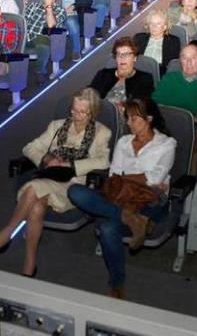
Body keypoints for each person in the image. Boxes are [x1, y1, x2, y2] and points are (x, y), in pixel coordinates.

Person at [0, 88, 112, 276]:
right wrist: (47, 160)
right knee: (37, 208)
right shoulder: (57, 126)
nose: (77, 116)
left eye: (83, 112)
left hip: (73, 185)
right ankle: (29, 266)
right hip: (50, 177)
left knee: (33, 189)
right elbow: (30, 147)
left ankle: (6, 235)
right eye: (74, 110)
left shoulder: (102, 133)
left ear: (94, 111)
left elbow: (103, 161)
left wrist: (71, 165)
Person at [67, 98, 176, 299]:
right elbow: (113, 176)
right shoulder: (123, 142)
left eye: (134, 118)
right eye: (127, 118)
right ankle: (131, 220)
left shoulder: (167, 144)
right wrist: (141, 177)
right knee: (75, 191)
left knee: (108, 228)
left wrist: (128, 177)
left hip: (149, 203)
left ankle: (116, 284)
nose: (128, 123)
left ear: (149, 119)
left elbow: (154, 179)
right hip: (121, 199)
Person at [89, 37, 155, 108]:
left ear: (135, 57)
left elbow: (139, 107)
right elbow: (88, 96)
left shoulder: (145, 79)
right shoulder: (103, 74)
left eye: (126, 54)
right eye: (119, 54)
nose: (122, 58)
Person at [24, 0, 66, 81]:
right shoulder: (33, 6)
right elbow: (24, 21)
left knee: (43, 45)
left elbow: (51, 24)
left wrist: (49, 7)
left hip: (43, 36)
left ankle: (39, 70)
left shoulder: (60, 10)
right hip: (28, 35)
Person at [133, 10, 180, 76]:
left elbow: (172, 65)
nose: (154, 27)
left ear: (165, 27)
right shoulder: (139, 38)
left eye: (158, 24)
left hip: (161, 74)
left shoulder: (173, 41)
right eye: (151, 23)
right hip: (139, 72)